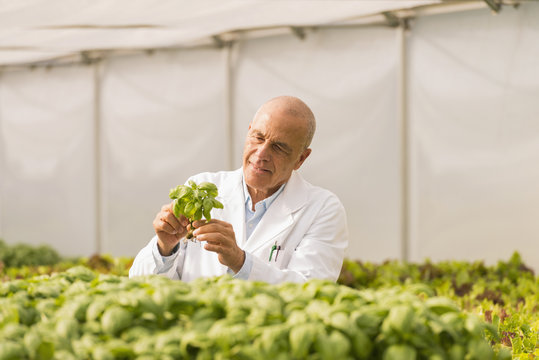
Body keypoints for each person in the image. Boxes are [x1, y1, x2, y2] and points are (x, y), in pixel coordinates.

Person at [129, 96, 348, 283]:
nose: (261, 153)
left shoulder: (323, 209)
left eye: (279, 147)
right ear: (248, 132)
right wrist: (165, 249)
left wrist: (240, 262)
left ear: (301, 158)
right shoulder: (202, 189)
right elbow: (141, 284)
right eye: (258, 137)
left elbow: (310, 290)